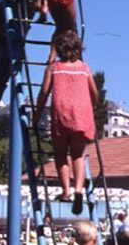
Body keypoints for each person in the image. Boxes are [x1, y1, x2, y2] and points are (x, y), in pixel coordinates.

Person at [33, 30, 98, 215]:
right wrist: (90, 106)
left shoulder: (54, 67)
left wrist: (36, 115)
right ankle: (79, 190)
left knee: (60, 154)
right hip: (81, 114)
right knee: (78, 154)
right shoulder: (84, 68)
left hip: (61, 114)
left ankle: (66, 191)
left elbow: (44, 92)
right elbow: (95, 92)